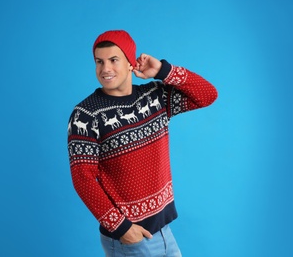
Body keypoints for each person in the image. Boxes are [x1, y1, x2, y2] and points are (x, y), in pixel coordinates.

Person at [67, 30, 218, 256]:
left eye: (113, 60)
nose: (105, 69)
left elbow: (207, 94)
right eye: (99, 61)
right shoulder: (86, 115)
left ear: (130, 63)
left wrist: (163, 71)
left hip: (164, 231)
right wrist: (122, 228)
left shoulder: (155, 97)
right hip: (130, 238)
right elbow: (83, 178)